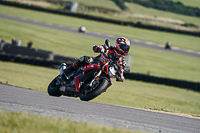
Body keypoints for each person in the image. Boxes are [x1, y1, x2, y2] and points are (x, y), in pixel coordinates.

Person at [61, 37, 130, 82]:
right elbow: (96, 48)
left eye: (126, 48)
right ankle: (68, 70)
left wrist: (121, 76)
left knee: (109, 80)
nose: (125, 49)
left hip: (106, 70)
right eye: (124, 47)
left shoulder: (121, 60)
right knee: (85, 59)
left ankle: (92, 87)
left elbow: (120, 68)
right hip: (95, 62)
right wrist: (99, 48)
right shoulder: (109, 48)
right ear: (118, 44)